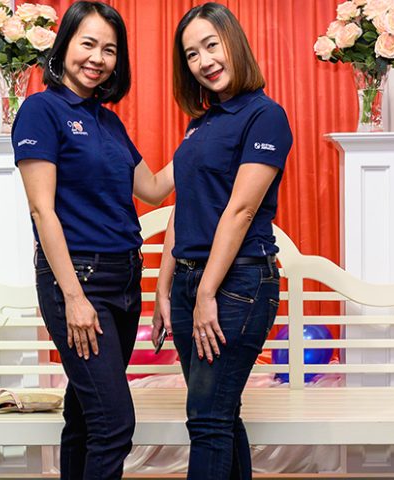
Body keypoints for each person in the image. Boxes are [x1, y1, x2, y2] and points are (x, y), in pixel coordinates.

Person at [11, 2, 172, 478]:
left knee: (85, 416)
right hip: (80, 280)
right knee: (114, 425)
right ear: (64, 46)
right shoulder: (41, 110)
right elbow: (42, 210)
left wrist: (204, 140)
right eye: (88, 44)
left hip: (125, 278)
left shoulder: (108, 121)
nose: (98, 58)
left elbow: (153, 188)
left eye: (109, 49)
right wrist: (74, 297)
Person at [151, 3, 293, 479]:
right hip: (190, 283)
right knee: (220, 417)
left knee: (208, 420)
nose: (204, 61)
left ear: (233, 43)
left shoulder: (265, 116)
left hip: (237, 286)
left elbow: (241, 211)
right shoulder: (200, 124)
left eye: (211, 45)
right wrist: (164, 288)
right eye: (192, 54)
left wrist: (207, 292)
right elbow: (181, 206)